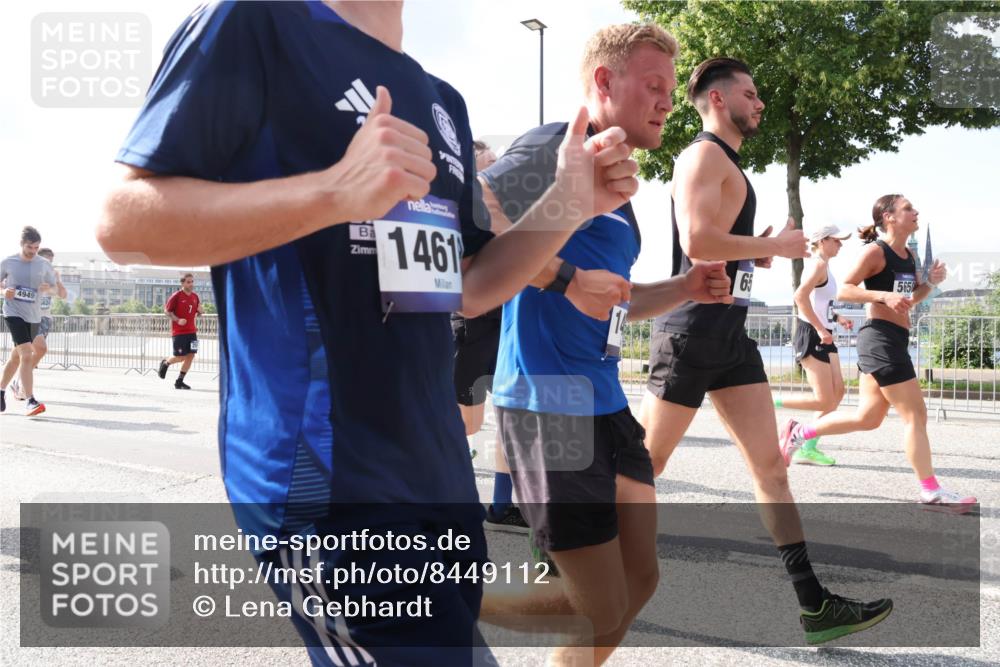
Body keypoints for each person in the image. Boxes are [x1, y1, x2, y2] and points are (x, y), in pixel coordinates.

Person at [97, 2, 638, 664]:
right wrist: (333, 192)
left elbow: (468, 284)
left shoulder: (440, 99)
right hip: (328, 482)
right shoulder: (256, 22)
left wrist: (567, 205)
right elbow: (121, 223)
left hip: (435, 476)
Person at [479, 24, 734, 663]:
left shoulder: (615, 181)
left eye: (672, 92)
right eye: (654, 86)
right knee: (599, 601)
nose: (667, 103)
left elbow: (615, 298)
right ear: (603, 82)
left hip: (605, 403)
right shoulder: (555, 148)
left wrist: (685, 287)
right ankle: (446, 599)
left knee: (639, 581)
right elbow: (475, 209)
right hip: (547, 402)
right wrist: (563, 278)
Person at [638, 57, 892, 643]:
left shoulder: (729, 163)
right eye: (750, 94)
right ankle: (561, 538)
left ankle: (814, 605)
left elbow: (718, 245)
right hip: (691, 331)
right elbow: (694, 239)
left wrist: (755, 255)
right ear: (720, 100)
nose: (759, 103)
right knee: (647, 465)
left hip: (731, 335)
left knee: (771, 469)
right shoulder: (701, 154)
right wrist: (773, 243)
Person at [780, 195, 976, 511]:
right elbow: (845, 288)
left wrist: (931, 284)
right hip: (879, 340)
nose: (916, 212)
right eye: (908, 208)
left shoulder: (908, 254)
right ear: (889, 217)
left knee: (867, 418)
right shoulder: (875, 252)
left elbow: (910, 299)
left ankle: (799, 432)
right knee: (916, 414)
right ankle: (930, 489)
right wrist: (883, 295)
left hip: (894, 339)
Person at [453, 139, 529, 530]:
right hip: (472, 326)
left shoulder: (503, 214)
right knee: (465, 424)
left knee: (504, 421)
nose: (501, 170)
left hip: (502, 326)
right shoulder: (469, 211)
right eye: (491, 164)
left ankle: (500, 505)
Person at [774, 225, 854, 465]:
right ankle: (774, 405)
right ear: (822, 241)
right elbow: (799, 296)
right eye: (837, 241)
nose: (841, 245)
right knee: (823, 400)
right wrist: (820, 328)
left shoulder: (825, 266)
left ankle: (808, 448)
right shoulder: (818, 265)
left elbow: (822, 303)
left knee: (837, 393)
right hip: (813, 334)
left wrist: (837, 318)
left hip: (825, 333)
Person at [1, 226, 57, 416]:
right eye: (29, 247)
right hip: (13, 313)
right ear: (22, 244)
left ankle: (1, 390)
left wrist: (47, 287)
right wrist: (3, 292)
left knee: (16, 357)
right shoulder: (9, 262)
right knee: (26, 354)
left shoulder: (43, 264)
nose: (33, 251)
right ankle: (30, 400)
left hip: (33, 316)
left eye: (36, 248)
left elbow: (53, 287)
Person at [9, 247, 67, 400]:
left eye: (51, 262)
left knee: (18, 356)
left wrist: (58, 282)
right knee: (40, 349)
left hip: (45, 319)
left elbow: (63, 295)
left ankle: (16, 383)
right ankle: (21, 387)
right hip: (28, 317)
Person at [157, 273, 201, 389]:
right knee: (181, 357)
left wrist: (201, 311)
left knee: (191, 356)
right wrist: (177, 320)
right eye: (188, 282)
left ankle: (179, 381)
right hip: (179, 332)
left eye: (192, 281)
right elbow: (167, 311)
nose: (191, 284)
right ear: (182, 283)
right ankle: (166, 362)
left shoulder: (195, 296)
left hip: (192, 332)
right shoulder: (176, 295)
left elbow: (197, 311)